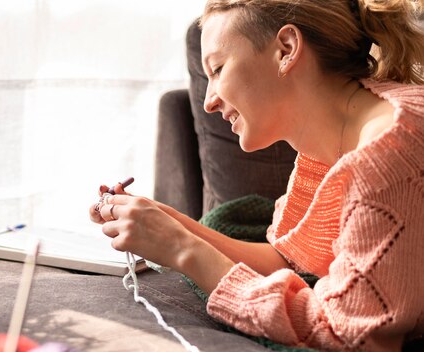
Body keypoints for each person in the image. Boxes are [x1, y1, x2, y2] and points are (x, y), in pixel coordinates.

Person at [89, 0, 424, 350]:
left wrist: (183, 249)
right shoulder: (332, 139)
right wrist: (162, 222)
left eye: (217, 69)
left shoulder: (388, 153)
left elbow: (351, 336)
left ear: (286, 49)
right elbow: (289, 260)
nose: (209, 102)